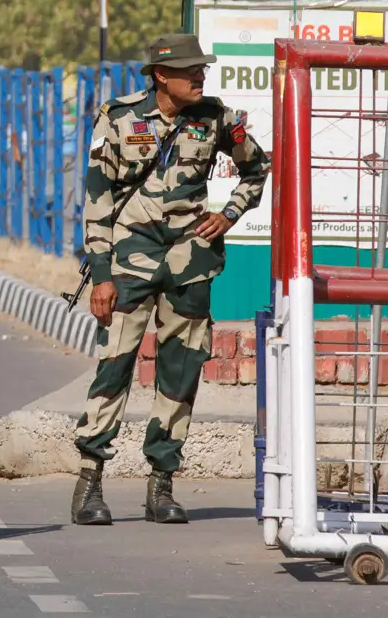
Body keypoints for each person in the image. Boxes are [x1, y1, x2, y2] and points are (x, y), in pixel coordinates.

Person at [72, 33, 269, 526]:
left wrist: (228, 214)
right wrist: (100, 275)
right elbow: (96, 200)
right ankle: (90, 480)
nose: (200, 76)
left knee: (180, 374)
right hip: (128, 265)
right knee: (114, 367)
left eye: (202, 69)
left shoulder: (217, 118)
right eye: (189, 70)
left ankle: (162, 484)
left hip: (191, 265)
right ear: (162, 75)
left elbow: (258, 168)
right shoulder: (117, 118)